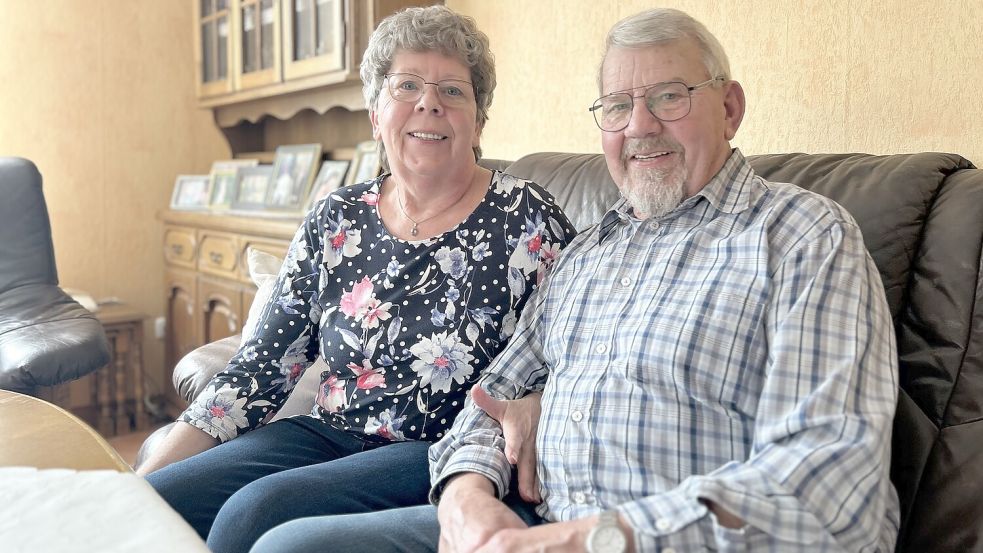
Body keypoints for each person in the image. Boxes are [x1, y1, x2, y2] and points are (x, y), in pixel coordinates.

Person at [250, 7, 900, 553]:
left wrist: (587, 538)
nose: (640, 125)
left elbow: (829, 485)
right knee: (286, 544)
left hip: (647, 538)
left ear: (728, 108)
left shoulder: (801, 236)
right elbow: (491, 400)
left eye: (668, 97)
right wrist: (467, 496)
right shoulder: (589, 252)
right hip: (528, 523)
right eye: (617, 106)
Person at [137, 6, 576, 553]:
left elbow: (575, 347)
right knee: (154, 501)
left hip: (439, 448)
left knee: (252, 513)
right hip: (325, 433)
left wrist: (537, 398)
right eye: (407, 86)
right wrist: (139, 481)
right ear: (375, 114)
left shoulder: (527, 217)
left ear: (479, 121)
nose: (429, 103)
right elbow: (261, 366)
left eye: (452, 91)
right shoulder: (338, 216)